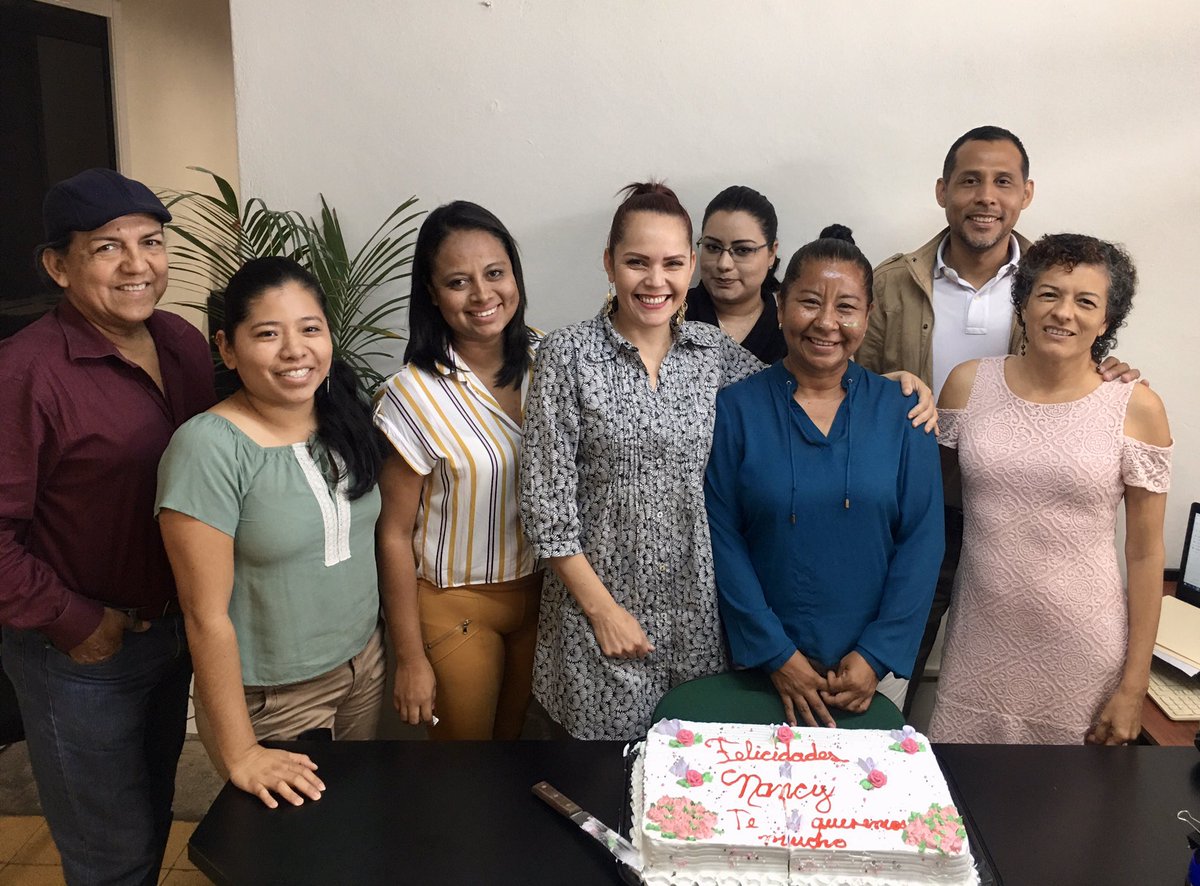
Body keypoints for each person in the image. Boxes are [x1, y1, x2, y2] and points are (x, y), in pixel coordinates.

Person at [857, 126, 1140, 716]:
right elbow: (842, 389)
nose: (986, 196)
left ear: (1026, 194)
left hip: (1019, 530)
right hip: (912, 523)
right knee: (880, 689)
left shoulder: (1057, 282)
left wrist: (1103, 369)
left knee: (1020, 694)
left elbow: (1072, 367)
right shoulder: (888, 284)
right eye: (970, 181)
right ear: (942, 191)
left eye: (1003, 182)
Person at [0, 168, 215, 885]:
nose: (136, 265)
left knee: (151, 823)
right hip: (80, 657)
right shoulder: (26, 373)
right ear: (58, 265)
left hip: (171, 633)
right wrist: (73, 619)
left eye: (151, 243)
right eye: (107, 248)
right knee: (109, 860)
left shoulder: (182, 341)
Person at [519, 182, 764, 741]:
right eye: (637, 263)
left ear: (692, 266)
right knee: (601, 787)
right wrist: (603, 612)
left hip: (695, 614)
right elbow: (544, 505)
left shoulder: (712, 352)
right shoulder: (567, 354)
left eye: (673, 263)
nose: (656, 282)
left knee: (685, 782)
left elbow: (798, 391)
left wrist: (897, 386)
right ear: (609, 264)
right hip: (597, 612)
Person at [157, 257, 388, 808]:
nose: (295, 350)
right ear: (228, 347)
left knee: (355, 823)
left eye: (310, 329)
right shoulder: (207, 448)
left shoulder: (342, 420)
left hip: (364, 667)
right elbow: (203, 615)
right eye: (267, 334)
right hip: (276, 698)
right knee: (298, 853)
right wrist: (239, 752)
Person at [929, 234, 1171, 745]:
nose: (1064, 313)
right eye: (1049, 294)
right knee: (964, 807)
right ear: (1022, 303)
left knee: (1069, 818)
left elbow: (1146, 554)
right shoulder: (967, 385)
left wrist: (1134, 685)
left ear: (1107, 321)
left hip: (1083, 651)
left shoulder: (1136, 408)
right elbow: (925, 503)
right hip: (979, 641)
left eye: (1086, 301)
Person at [705, 226, 944, 729]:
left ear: (868, 317)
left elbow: (922, 541)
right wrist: (776, 655)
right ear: (780, 306)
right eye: (810, 302)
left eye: (847, 308)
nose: (827, 323)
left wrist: (875, 656)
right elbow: (722, 539)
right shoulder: (735, 409)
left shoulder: (904, 411)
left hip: (870, 673)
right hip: (763, 666)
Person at [374, 201, 543, 741]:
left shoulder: (552, 362)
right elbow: (394, 533)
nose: (483, 295)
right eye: (457, 281)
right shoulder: (411, 394)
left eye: (495, 273)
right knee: (463, 767)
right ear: (431, 292)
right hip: (456, 606)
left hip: (544, 598)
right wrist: (410, 659)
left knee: (516, 751)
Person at [686, 185, 786, 363]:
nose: (724, 264)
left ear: (771, 253)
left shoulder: (787, 328)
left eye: (742, 250)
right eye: (713, 247)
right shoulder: (672, 316)